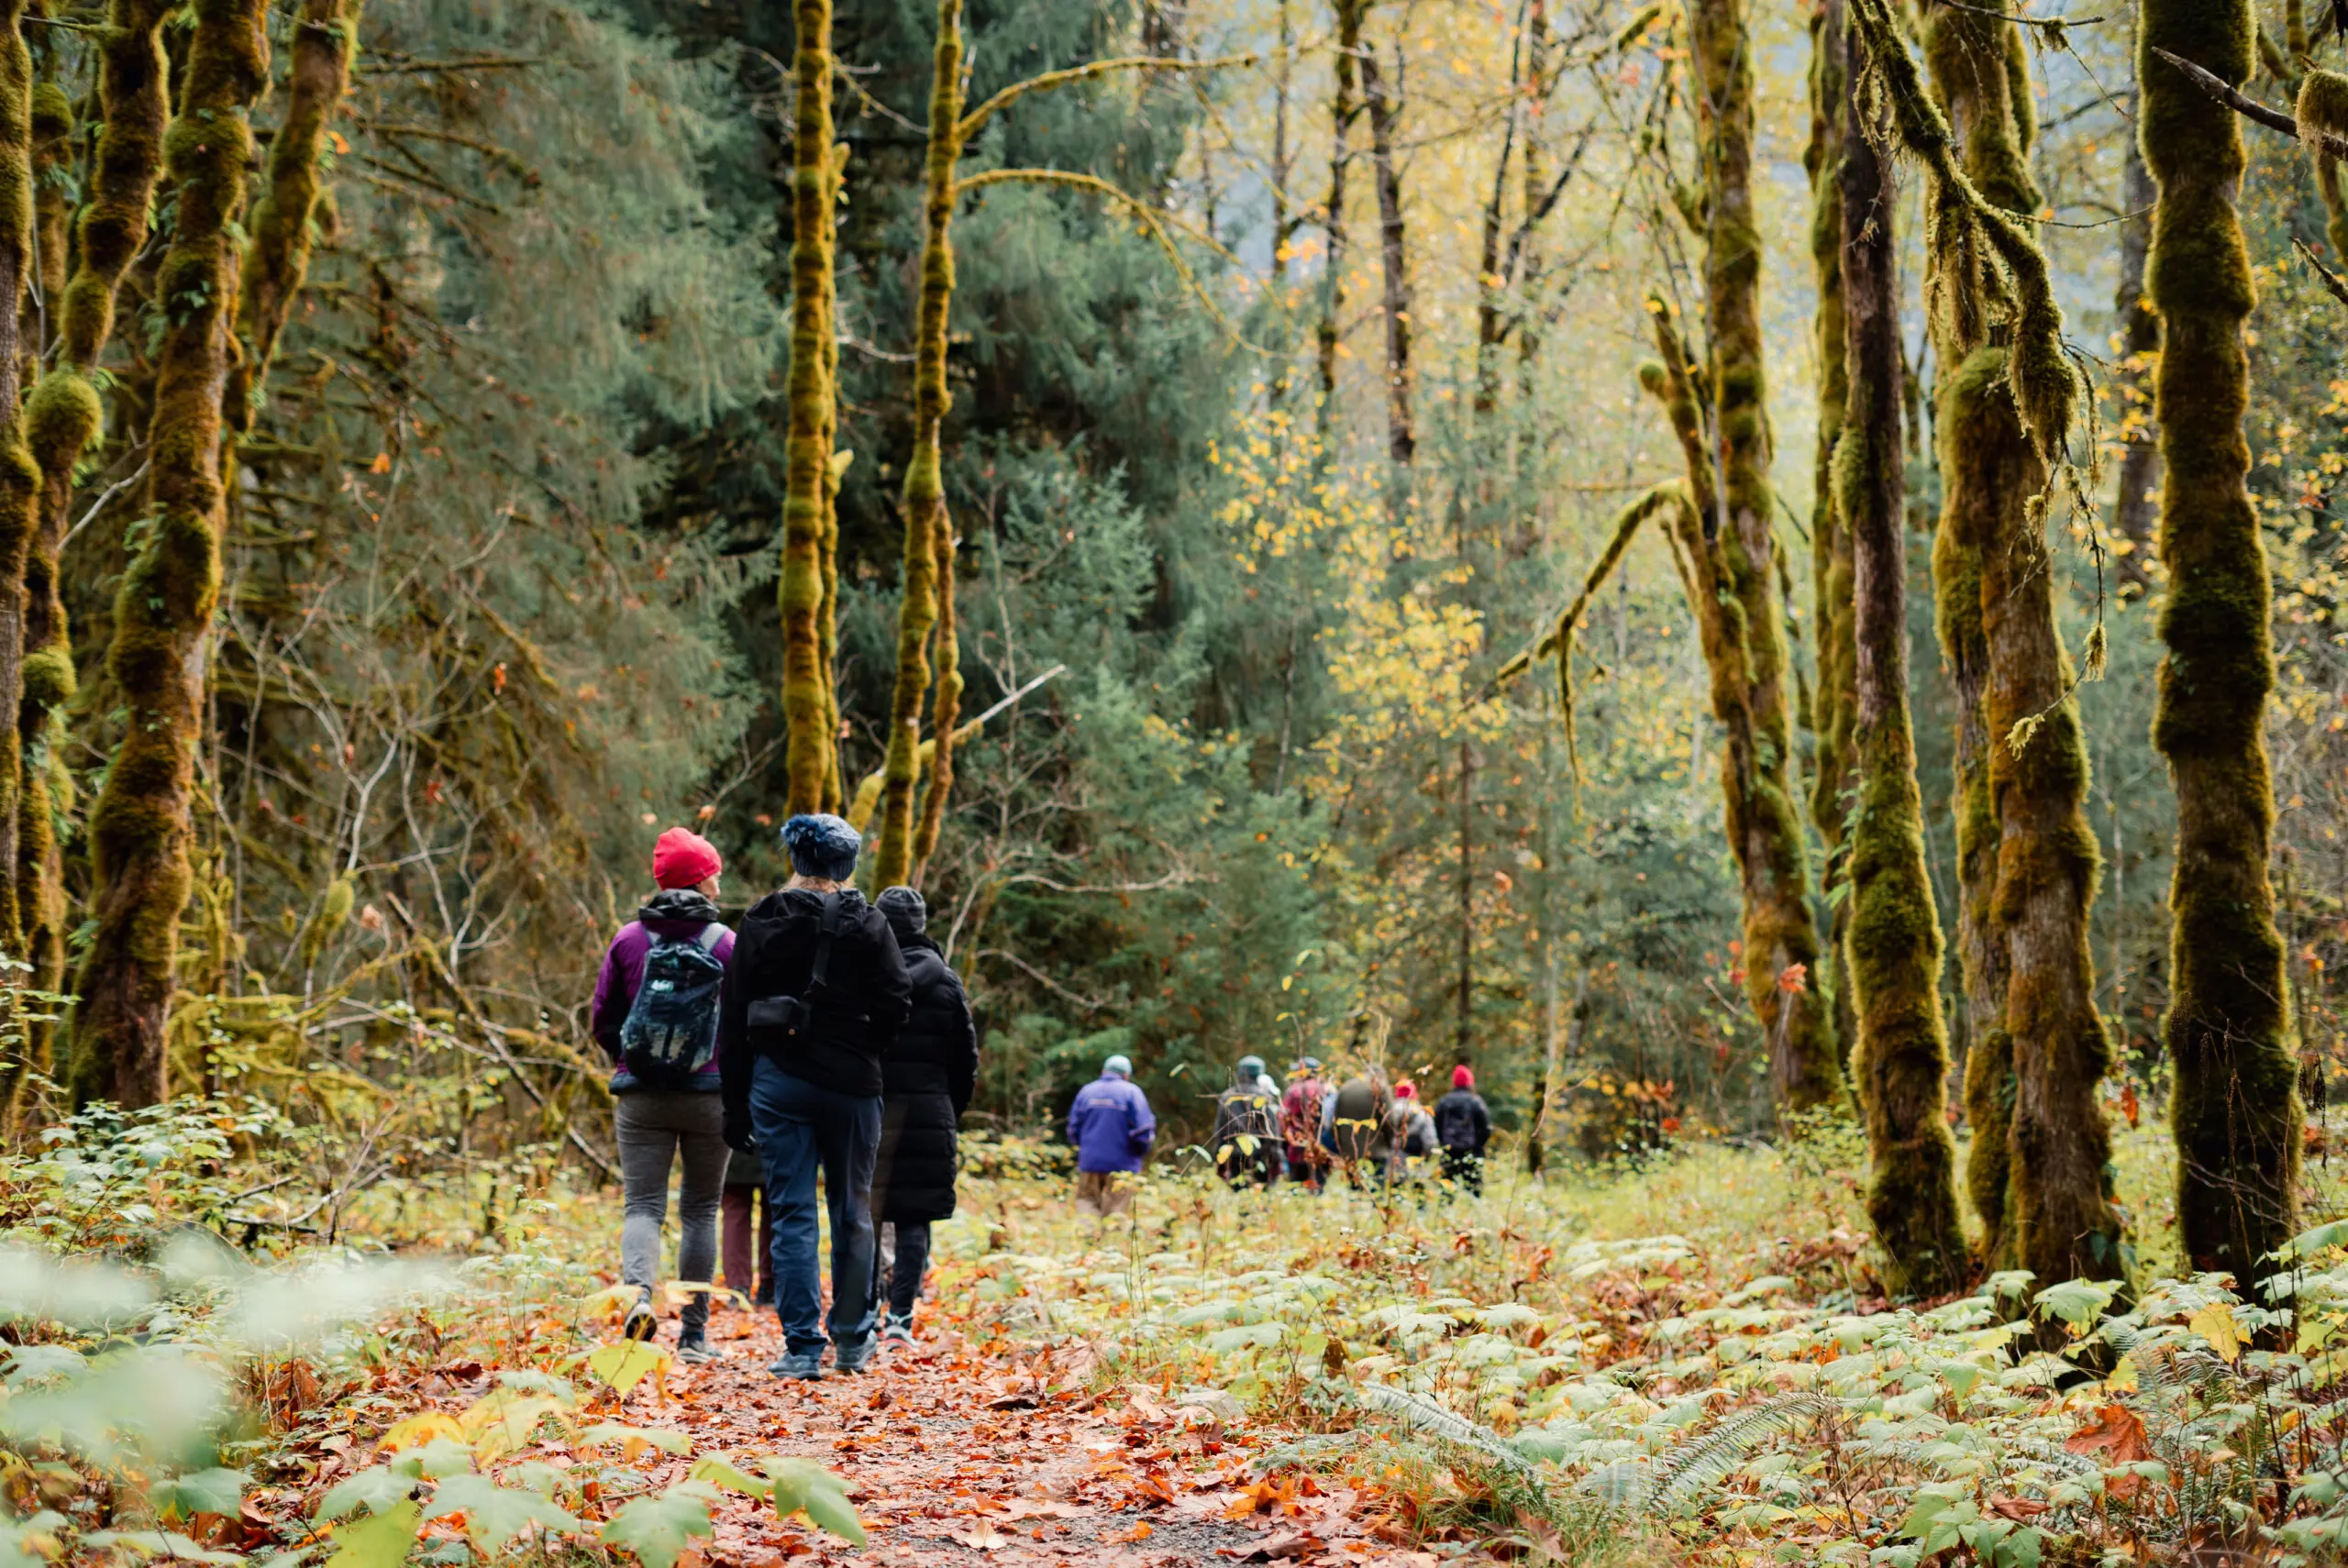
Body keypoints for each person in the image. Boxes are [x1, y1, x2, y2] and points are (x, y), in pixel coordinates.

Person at [719, 813, 912, 1380]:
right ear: (847, 864)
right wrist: (866, 1046)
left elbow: (732, 1017)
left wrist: (734, 1104)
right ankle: (851, 1339)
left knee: (792, 1212)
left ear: (796, 859)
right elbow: (898, 1000)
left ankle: (802, 1347)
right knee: (852, 1211)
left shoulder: (760, 920)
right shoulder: (870, 923)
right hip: (853, 1086)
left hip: (779, 1082)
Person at [591, 827, 736, 1364]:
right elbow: (742, 1023)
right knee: (700, 1210)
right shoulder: (725, 942)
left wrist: (632, 1060)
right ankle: (694, 1338)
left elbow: (602, 1017)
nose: (719, 881)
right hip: (710, 1095)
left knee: (643, 1206)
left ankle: (638, 1299)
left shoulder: (629, 939)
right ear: (701, 880)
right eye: (713, 872)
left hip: (642, 1096)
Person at [869, 887, 979, 1347]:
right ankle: (901, 1319)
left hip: (871, 1109)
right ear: (920, 924)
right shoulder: (947, 982)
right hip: (930, 1113)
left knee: (867, 1215)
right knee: (914, 1219)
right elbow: (966, 1060)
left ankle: (864, 1312)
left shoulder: (863, 977)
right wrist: (948, 1110)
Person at [1068, 1055, 1155, 1215]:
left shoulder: (1087, 1091)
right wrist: (1138, 1154)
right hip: (1123, 1165)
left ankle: (1088, 1231)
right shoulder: (1132, 1092)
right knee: (1117, 1211)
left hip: (1090, 1162)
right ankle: (1112, 1232)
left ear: (1104, 1071)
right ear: (1126, 1075)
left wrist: (1085, 1150)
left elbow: (1073, 1129)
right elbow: (1144, 1130)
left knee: (1087, 1204)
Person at [1211, 1055, 1283, 1187]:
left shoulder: (1227, 1096)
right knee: (1260, 1193)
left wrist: (1217, 1157)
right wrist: (1277, 1156)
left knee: (1238, 1192)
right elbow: (1272, 1132)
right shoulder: (1264, 1097)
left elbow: (1220, 1131)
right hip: (1261, 1157)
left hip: (1233, 1156)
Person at [720, 1143, 772, 1307]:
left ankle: (738, 1289)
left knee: (735, 1216)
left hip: (732, 1148)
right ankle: (771, 1286)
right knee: (775, 1213)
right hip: (774, 1148)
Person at [1324, 1068, 1390, 1190]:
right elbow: (1389, 1121)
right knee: (1376, 1190)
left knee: (1355, 1189)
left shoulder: (1346, 1088)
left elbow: (1335, 1120)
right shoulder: (1380, 1087)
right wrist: (1390, 1143)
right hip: (1376, 1150)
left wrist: (1341, 1146)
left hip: (1350, 1150)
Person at [1434, 1065, 1493, 1194]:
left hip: (1449, 1151)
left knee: (1447, 1192)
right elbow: (1486, 1128)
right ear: (1469, 1082)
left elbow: (1436, 1126)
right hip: (1471, 1152)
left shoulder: (1444, 1102)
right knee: (1474, 1191)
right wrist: (1478, 1146)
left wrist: (1444, 1144)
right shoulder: (1476, 1101)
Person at [1280, 1056, 1332, 1193]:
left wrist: (1285, 1144)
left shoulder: (1293, 1090)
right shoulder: (1325, 1089)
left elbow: (1283, 1118)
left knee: (1297, 1188)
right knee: (1318, 1187)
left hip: (1296, 1147)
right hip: (1320, 1148)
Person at [1384, 1081, 1437, 1187]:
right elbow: (1430, 1143)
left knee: (1394, 1191)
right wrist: (1426, 1158)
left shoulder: (1388, 1114)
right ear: (1414, 1094)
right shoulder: (1423, 1114)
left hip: (1392, 1163)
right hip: (1415, 1164)